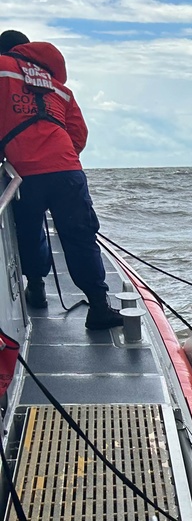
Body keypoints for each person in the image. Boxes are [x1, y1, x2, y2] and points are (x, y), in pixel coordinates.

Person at [0, 32, 123, 330]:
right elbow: (78, 135)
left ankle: (37, 288)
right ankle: (98, 306)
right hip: (67, 170)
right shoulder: (59, 89)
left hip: (22, 174)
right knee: (80, 236)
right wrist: (57, 157)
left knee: (27, 232)